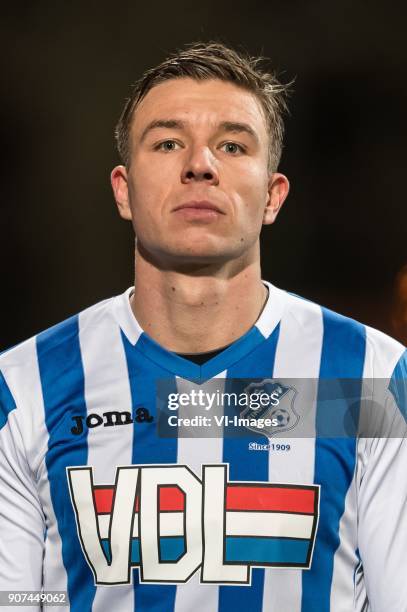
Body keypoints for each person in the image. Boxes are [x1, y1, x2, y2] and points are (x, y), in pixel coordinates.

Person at [0, 42, 406, 612]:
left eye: (233, 145)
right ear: (123, 190)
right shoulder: (24, 387)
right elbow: (14, 600)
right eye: (168, 142)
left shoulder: (371, 380)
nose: (200, 164)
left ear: (272, 196)